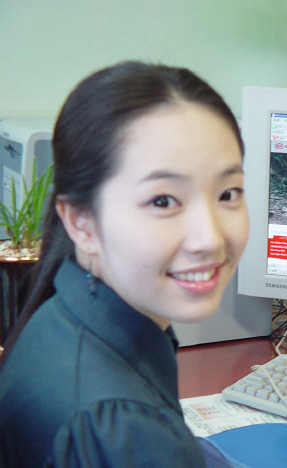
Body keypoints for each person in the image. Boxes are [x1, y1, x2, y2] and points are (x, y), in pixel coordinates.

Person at [0, 61, 249, 467]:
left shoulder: (61, 316)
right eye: (163, 201)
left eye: (228, 193)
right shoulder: (118, 426)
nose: (210, 238)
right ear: (80, 221)